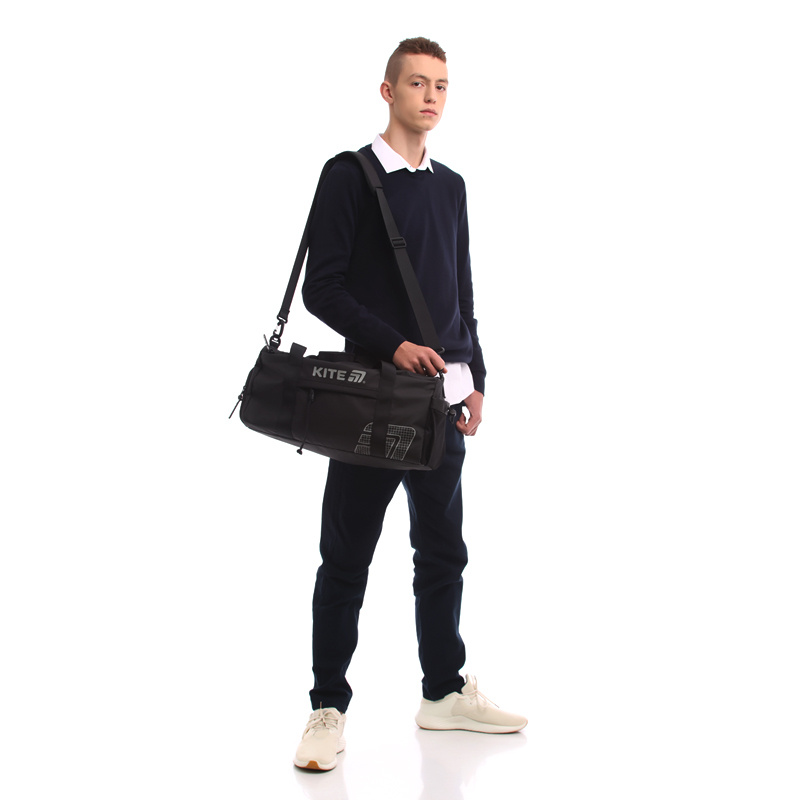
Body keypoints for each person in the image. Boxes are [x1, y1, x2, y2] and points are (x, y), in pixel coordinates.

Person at [293, 37, 526, 772]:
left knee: (444, 551)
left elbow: (461, 293)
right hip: (371, 403)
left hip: (442, 403)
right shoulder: (349, 176)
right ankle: (327, 708)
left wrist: (476, 375)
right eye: (418, 83)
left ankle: (443, 692)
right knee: (346, 559)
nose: (431, 97)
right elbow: (322, 288)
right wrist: (393, 345)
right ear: (387, 91)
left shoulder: (451, 187)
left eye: (442, 86)